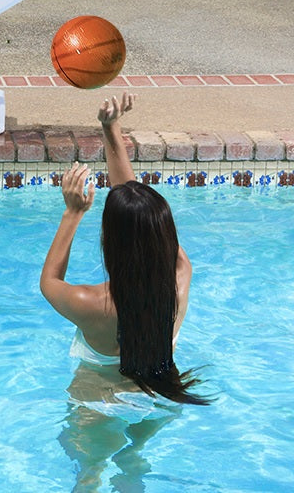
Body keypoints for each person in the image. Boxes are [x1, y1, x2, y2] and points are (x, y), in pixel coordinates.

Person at [39, 92, 210, 405]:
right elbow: (135, 207)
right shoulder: (180, 278)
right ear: (166, 237)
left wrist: (73, 213)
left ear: (111, 243)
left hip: (98, 397)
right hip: (160, 390)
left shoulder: (92, 304)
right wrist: (111, 129)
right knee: (137, 456)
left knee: (86, 455)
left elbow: (49, 283)